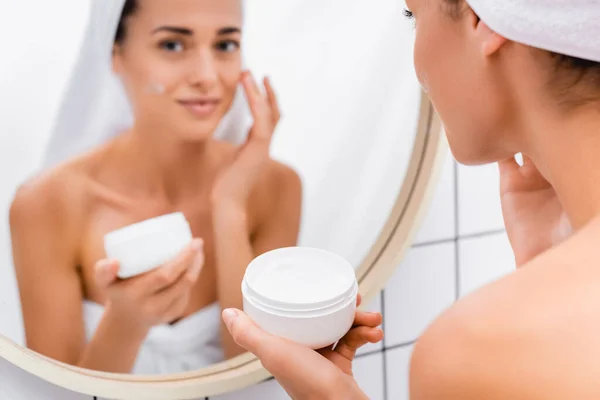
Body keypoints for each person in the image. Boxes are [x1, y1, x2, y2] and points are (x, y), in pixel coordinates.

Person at [221, 0, 600, 398]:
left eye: (413, 15)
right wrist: (541, 271)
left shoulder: (475, 351)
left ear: (481, 21)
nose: (416, 64)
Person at [9, 0, 305, 375]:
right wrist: (126, 323)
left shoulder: (275, 188)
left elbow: (255, 374)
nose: (207, 76)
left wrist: (230, 206)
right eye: (172, 45)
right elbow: (54, 394)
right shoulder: (47, 204)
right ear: (115, 55)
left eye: (225, 45)